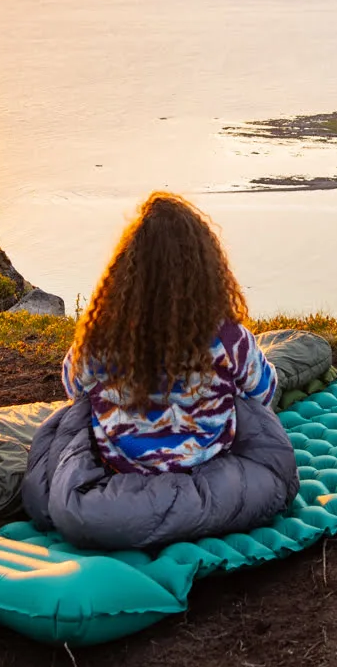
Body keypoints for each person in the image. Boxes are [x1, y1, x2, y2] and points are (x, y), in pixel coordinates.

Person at [61, 191, 278, 474]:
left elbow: (72, 386)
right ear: (206, 270)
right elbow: (265, 391)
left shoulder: (100, 338)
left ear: (126, 271)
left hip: (121, 464)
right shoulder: (229, 339)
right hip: (207, 462)